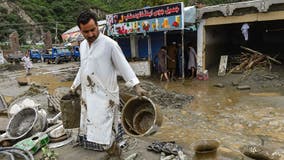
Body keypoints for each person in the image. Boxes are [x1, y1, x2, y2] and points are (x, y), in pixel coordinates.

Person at [70, 10, 147, 158]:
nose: (91, 34)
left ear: (97, 26)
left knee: (104, 134)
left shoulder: (110, 44)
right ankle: (114, 152)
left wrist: (137, 86)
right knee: (94, 131)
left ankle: (116, 154)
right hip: (89, 97)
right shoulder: (83, 46)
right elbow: (83, 68)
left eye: (93, 29)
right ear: (81, 31)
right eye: (86, 32)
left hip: (106, 99)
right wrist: (74, 87)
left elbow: (124, 66)